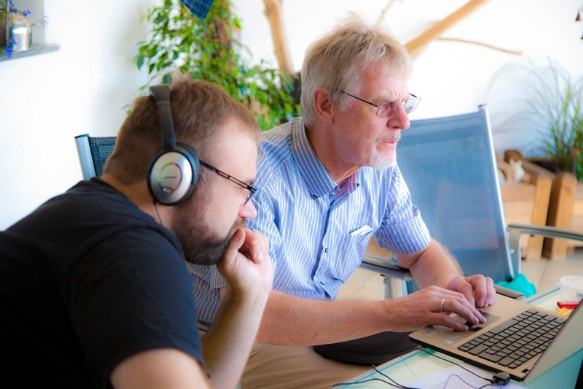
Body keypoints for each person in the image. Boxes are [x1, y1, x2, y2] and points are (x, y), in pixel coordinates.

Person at [189, 13, 497, 388]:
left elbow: (418, 252)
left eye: (405, 103)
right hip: (235, 344)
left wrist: (454, 291)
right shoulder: (259, 177)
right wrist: (393, 312)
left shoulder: (377, 169)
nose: (403, 121)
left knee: (460, 372)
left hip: (320, 337)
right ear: (326, 104)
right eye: (383, 104)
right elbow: (255, 312)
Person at [0, 75, 272, 389]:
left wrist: (251, 294)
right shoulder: (129, 249)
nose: (248, 210)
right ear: (176, 174)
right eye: (243, 187)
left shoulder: (95, 222)